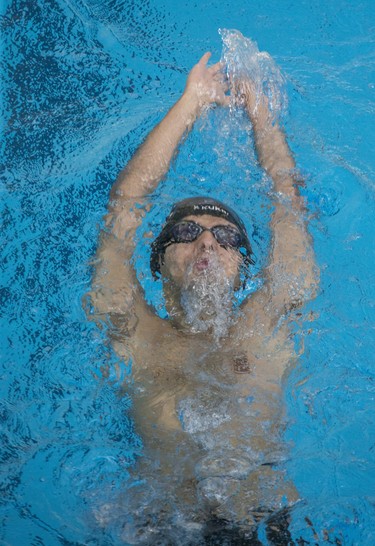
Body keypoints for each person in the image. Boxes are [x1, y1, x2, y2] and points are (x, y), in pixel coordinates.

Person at [90, 51, 318, 543]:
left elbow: (288, 201)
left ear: (243, 268)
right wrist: (190, 103)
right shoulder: (136, 330)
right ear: (159, 260)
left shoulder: (268, 322)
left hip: (265, 523)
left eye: (228, 236)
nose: (209, 242)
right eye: (188, 230)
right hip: (166, 525)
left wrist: (260, 114)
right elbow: (124, 209)